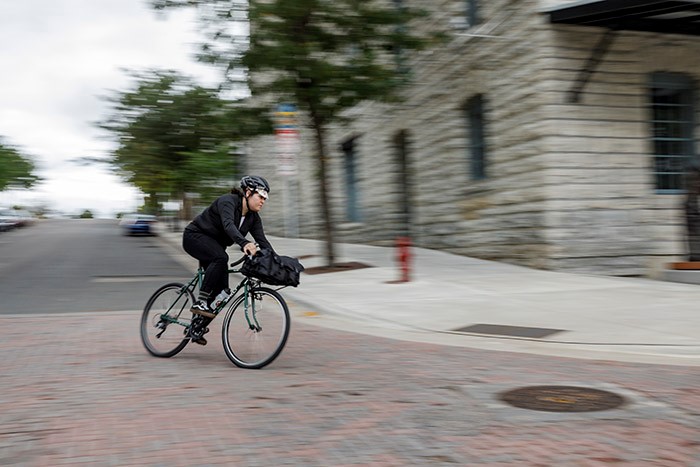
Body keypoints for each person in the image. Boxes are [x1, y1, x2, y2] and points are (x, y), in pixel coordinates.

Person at [182, 175, 273, 345]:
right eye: (260, 196)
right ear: (248, 192)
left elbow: (263, 241)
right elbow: (228, 225)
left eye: (265, 198)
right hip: (194, 237)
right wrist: (244, 242)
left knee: (223, 293)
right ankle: (201, 302)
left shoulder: (253, 218)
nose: (263, 201)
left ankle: (196, 327)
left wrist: (277, 262)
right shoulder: (228, 202)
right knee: (221, 257)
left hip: (214, 247)